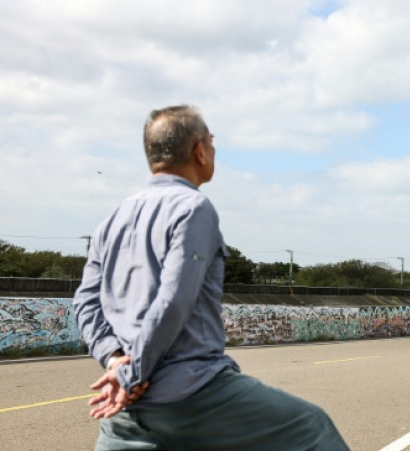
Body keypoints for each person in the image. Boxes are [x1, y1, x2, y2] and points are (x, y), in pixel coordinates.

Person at [73, 105, 349, 451]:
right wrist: (134, 373)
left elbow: (85, 302)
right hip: (192, 391)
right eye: (212, 141)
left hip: (126, 406)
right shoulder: (192, 208)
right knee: (313, 427)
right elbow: (173, 301)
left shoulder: (113, 217)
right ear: (199, 150)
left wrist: (115, 361)